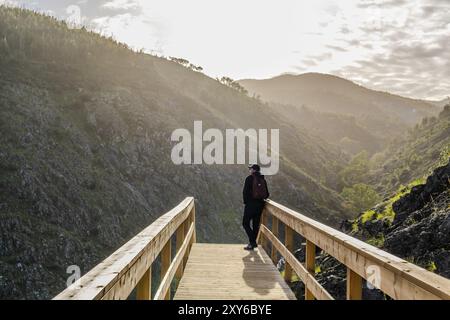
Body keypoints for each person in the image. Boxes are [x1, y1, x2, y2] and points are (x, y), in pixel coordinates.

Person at [242, 164, 270, 251]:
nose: (249, 170)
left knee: (245, 223)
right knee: (255, 225)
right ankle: (253, 243)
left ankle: (253, 242)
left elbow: (245, 192)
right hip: (260, 205)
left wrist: (246, 202)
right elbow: (267, 194)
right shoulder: (262, 179)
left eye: (250, 169)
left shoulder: (249, 178)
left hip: (251, 204)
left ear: (254, 170)